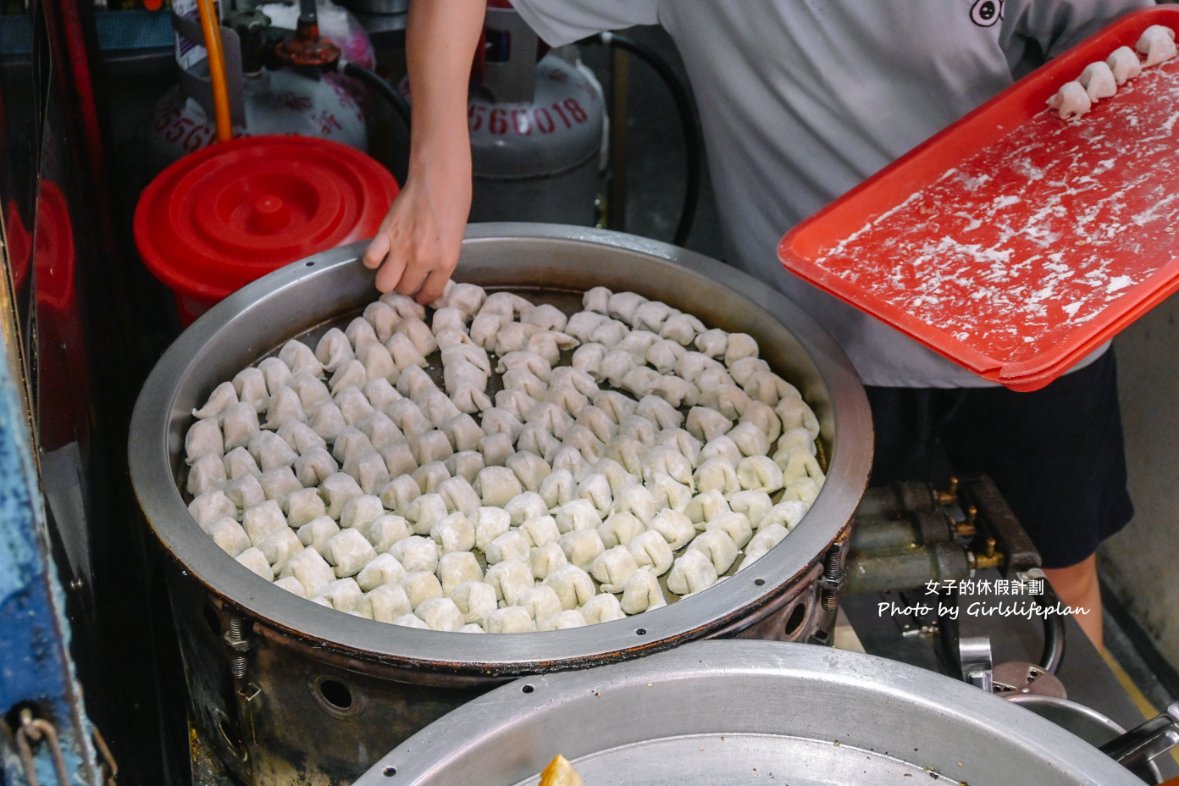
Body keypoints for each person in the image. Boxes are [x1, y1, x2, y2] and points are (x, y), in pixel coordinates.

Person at [363, 0, 1152, 648]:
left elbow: (1131, 29)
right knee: (827, 605)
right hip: (821, 341)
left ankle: (1044, 733)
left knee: (1051, 582)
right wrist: (439, 162)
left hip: (1032, 314)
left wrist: (1114, 99)